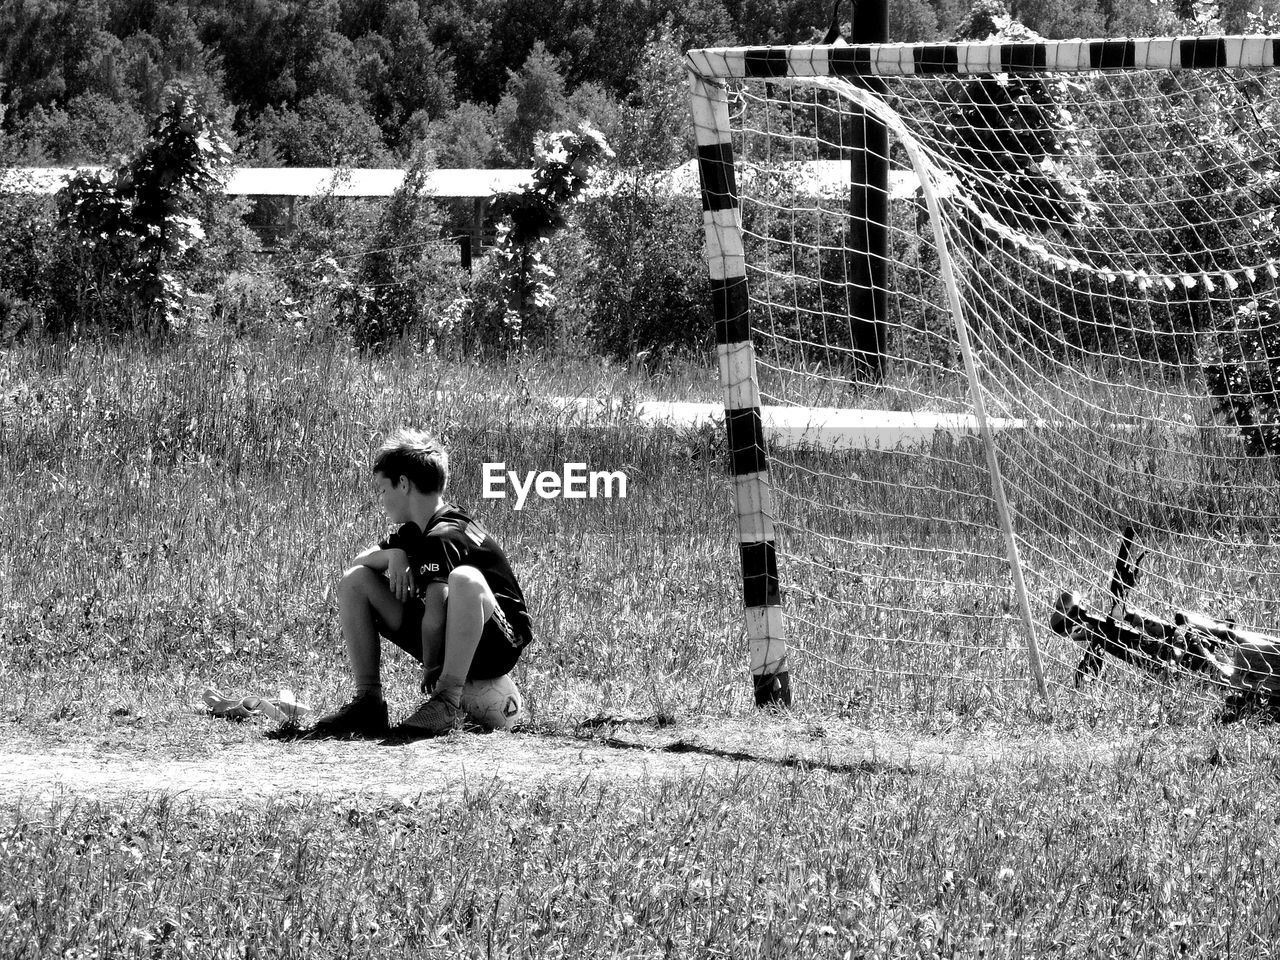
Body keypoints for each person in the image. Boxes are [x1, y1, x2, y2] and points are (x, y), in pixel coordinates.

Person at [306, 428, 533, 739]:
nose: (382, 500)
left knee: (463, 578)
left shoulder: (445, 534)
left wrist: (431, 666)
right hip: (446, 637)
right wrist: (394, 555)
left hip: (496, 644)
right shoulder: (416, 530)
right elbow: (360, 563)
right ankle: (368, 703)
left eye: (383, 490)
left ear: (403, 483)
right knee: (356, 582)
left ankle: (447, 700)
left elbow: (436, 612)